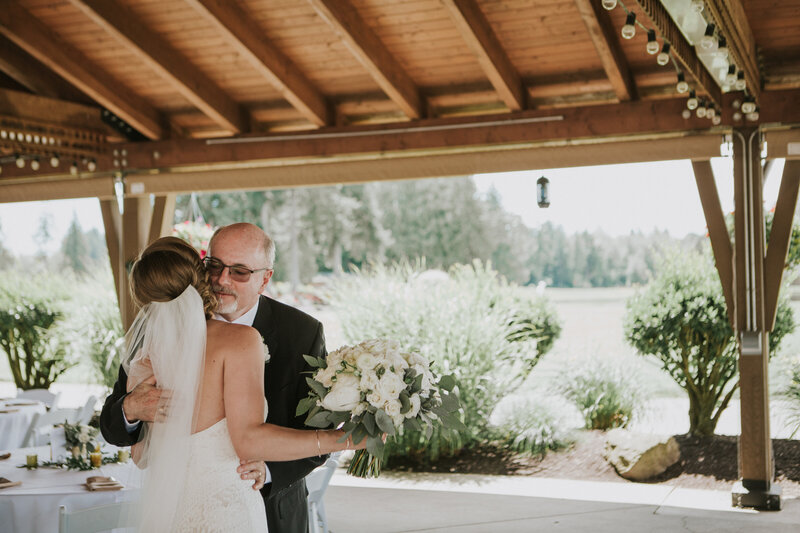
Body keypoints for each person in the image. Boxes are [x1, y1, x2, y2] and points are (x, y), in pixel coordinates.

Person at [102, 236, 361, 531]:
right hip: (226, 512)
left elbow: (142, 457)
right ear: (200, 271)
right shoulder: (159, 343)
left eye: (239, 271)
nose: (223, 278)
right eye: (215, 266)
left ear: (265, 280)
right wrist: (131, 408)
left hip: (246, 510)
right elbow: (248, 438)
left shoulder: (301, 331)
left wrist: (270, 469)